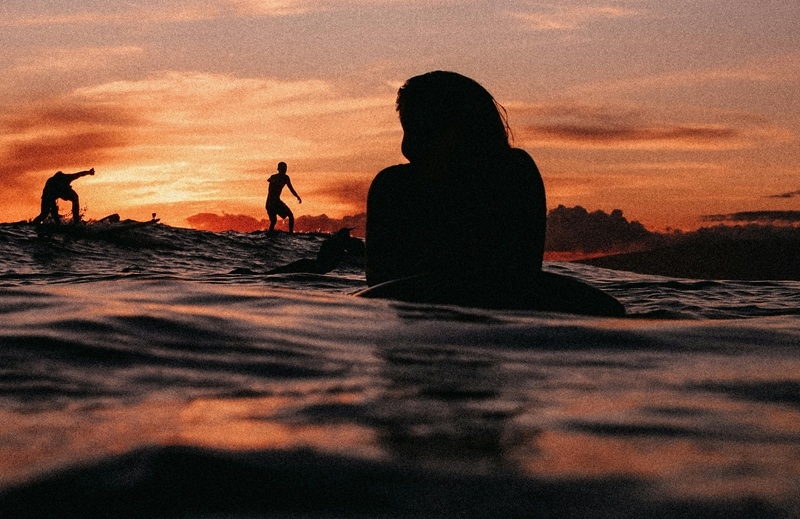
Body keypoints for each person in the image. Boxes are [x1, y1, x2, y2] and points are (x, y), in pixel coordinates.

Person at [363, 71, 547, 308]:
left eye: (423, 129)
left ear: (469, 129)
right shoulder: (392, 187)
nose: (407, 147)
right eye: (408, 130)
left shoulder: (514, 173)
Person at [267, 228, 364, 275]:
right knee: (292, 267)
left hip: (315, 267)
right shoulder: (335, 246)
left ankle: (266, 274)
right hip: (315, 267)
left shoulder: (335, 246)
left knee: (292, 268)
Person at [265, 162, 302, 233]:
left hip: (277, 201)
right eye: (282, 169)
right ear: (278, 169)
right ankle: (270, 235)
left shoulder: (286, 178)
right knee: (273, 221)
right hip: (270, 203)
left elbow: (291, 188)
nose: (284, 170)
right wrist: (273, 181)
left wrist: (297, 196)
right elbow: (270, 185)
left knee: (290, 215)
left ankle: (291, 233)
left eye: (285, 169)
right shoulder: (273, 177)